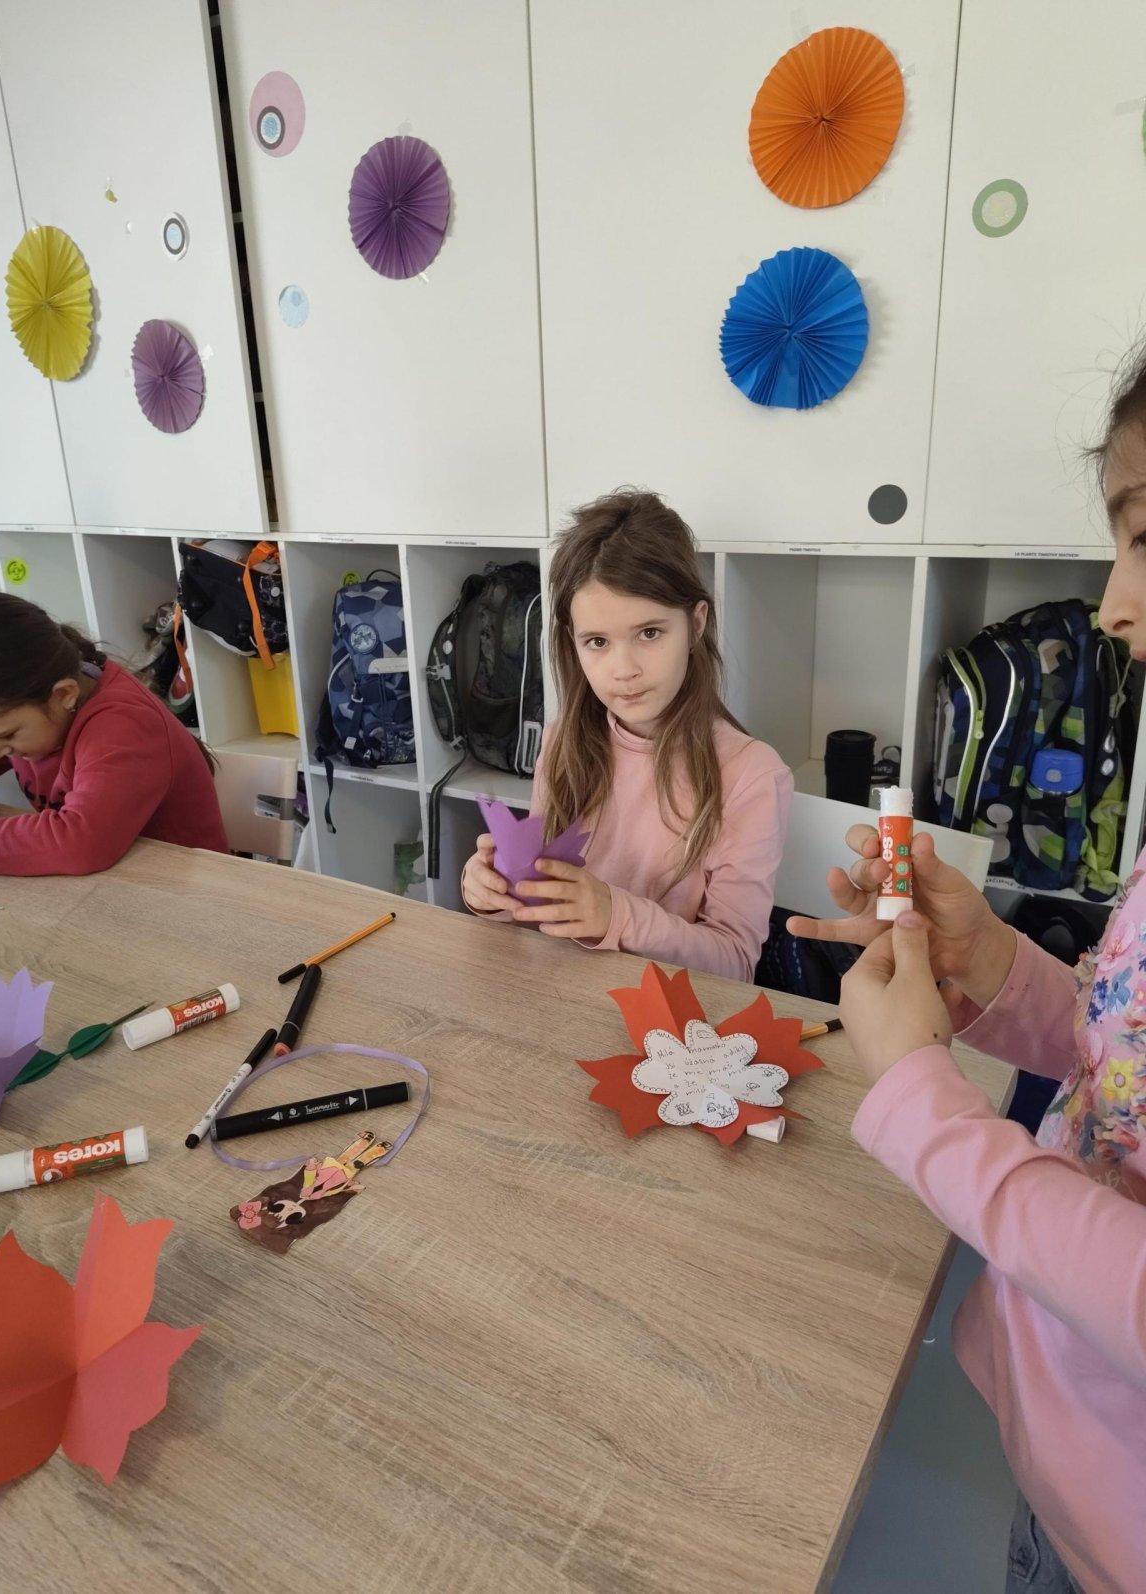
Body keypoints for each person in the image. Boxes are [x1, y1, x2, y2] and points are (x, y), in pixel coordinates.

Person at [790, 350, 1146, 1593]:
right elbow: (1126, 1059)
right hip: (1073, 1456)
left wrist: (921, 1101)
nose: (1110, 607)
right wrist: (988, 961)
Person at [462, 490, 792, 981]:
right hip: (561, 995)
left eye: (650, 633)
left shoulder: (753, 775)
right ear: (573, 644)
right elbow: (537, 900)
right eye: (597, 642)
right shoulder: (562, 742)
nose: (624, 670)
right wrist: (491, 890)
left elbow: (736, 963)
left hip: (673, 1015)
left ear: (696, 624)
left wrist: (616, 915)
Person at [0, 590, 228, 875]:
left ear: (64, 694)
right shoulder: (21, 706)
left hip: (187, 887)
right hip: (110, 882)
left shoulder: (125, 725)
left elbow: (80, 844)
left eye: (7, 736)